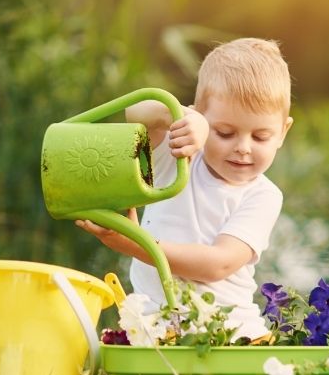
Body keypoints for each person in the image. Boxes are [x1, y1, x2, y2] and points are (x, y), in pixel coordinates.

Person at [75, 38, 294, 340]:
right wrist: (181, 119)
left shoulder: (263, 195)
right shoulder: (179, 153)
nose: (243, 148)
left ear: (283, 132)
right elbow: (137, 111)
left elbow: (218, 263)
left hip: (227, 333)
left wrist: (133, 243)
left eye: (260, 137)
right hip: (156, 328)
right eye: (225, 132)